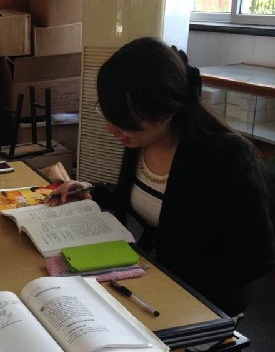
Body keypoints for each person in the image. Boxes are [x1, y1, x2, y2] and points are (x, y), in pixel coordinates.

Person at [50, 37, 274, 317]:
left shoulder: (225, 156)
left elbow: (257, 258)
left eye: (124, 119)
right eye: (109, 115)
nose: (111, 129)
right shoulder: (142, 139)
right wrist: (91, 190)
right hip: (150, 276)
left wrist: (172, 280)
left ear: (166, 109)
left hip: (203, 299)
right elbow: (150, 196)